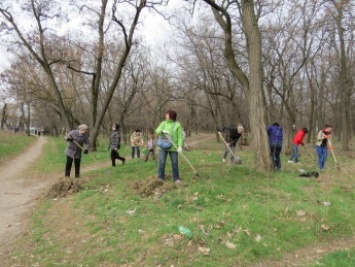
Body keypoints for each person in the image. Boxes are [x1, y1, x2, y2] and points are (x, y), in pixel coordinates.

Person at [155, 110, 183, 184]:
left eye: (167, 114)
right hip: (162, 146)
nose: (165, 116)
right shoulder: (163, 123)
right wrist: (162, 131)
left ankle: (176, 178)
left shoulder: (177, 125)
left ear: (171, 116)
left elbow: (180, 137)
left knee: (174, 163)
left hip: (173, 147)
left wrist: (180, 146)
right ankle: (160, 177)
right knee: (161, 162)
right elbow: (157, 131)